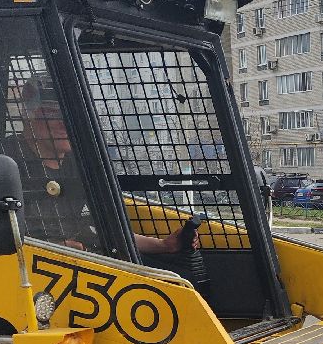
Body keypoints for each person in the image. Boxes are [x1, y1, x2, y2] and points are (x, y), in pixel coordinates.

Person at [10, 76, 195, 256]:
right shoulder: (7, 163)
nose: (64, 123)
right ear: (28, 114)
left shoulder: (81, 164)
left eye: (70, 115)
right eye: (53, 113)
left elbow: (104, 232)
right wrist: (53, 250)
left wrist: (163, 245)